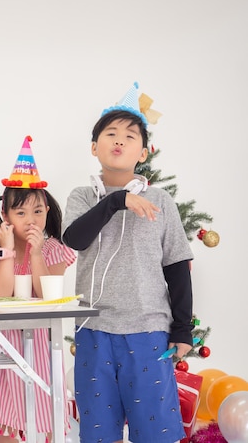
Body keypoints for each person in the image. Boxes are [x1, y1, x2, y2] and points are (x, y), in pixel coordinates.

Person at [62, 82, 194, 443]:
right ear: (95, 146)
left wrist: (182, 329)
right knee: (98, 434)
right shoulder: (81, 196)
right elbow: (74, 239)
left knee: (156, 433)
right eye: (111, 133)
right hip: (93, 330)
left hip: (148, 332)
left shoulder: (160, 200)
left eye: (130, 136)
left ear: (144, 152)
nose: (119, 140)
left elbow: (177, 266)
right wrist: (116, 200)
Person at [0, 135, 75, 442]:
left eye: (37, 212)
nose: (30, 220)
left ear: (47, 211)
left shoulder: (53, 249)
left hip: (42, 348)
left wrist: (36, 253)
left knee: (46, 416)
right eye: (20, 213)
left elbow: (48, 294)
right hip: (7, 347)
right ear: (5, 216)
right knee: (8, 421)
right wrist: (8, 248)